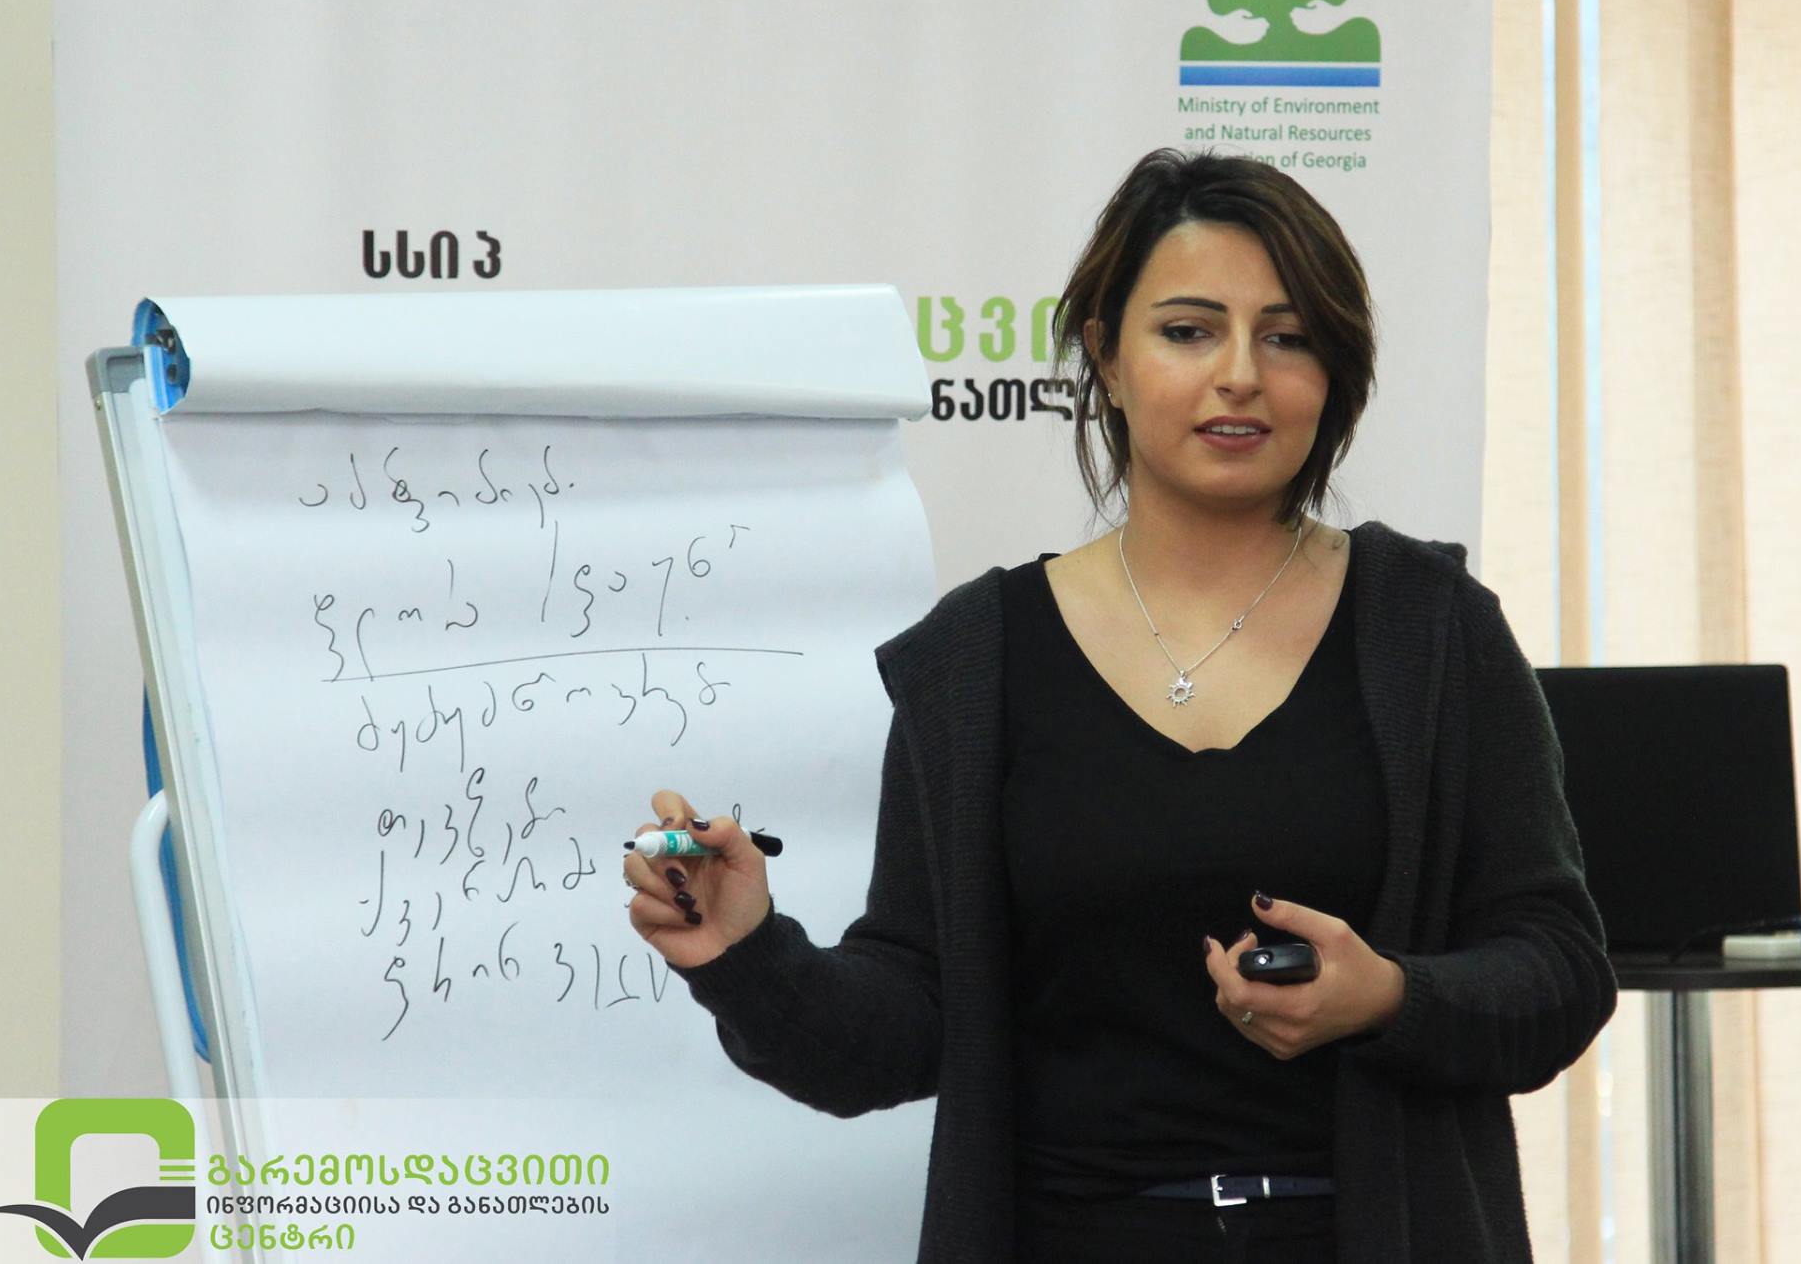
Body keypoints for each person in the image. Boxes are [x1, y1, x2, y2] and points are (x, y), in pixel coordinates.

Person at [624, 148, 1617, 1262]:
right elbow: (905, 1024)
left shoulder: (1430, 630)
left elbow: (1559, 971)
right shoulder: (977, 660)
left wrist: (1387, 996)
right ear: (1103, 354)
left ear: (1333, 372)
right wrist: (748, 954)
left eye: (1287, 338)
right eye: (1188, 330)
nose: (1239, 375)